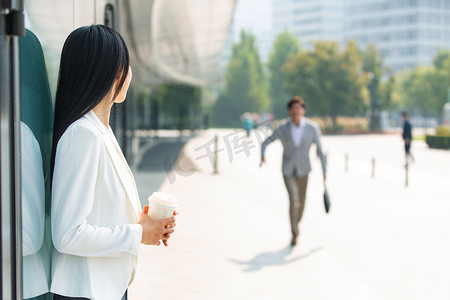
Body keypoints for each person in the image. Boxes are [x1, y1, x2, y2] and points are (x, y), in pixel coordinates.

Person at [50, 25, 176, 300]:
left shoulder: (101, 131)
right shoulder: (82, 134)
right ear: (116, 72)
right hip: (86, 291)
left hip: (106, 288)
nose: (131, 75)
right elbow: (68, 234)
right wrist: (138, 233)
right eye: (128, 67)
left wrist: (142, 222)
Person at [260, 96, 326, 246]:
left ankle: (295, 222)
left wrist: (324, 169)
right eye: (293, 108)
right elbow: (266, 141)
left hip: (304, 169)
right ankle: (294, 232)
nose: (296, 111)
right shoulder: (282, 127)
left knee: (302, 201)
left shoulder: (312, 128)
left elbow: (320, 151)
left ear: (303, 110)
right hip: (288, 169)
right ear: (289, 111)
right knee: (293, 198)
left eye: (298, 108)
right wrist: (262, 154)